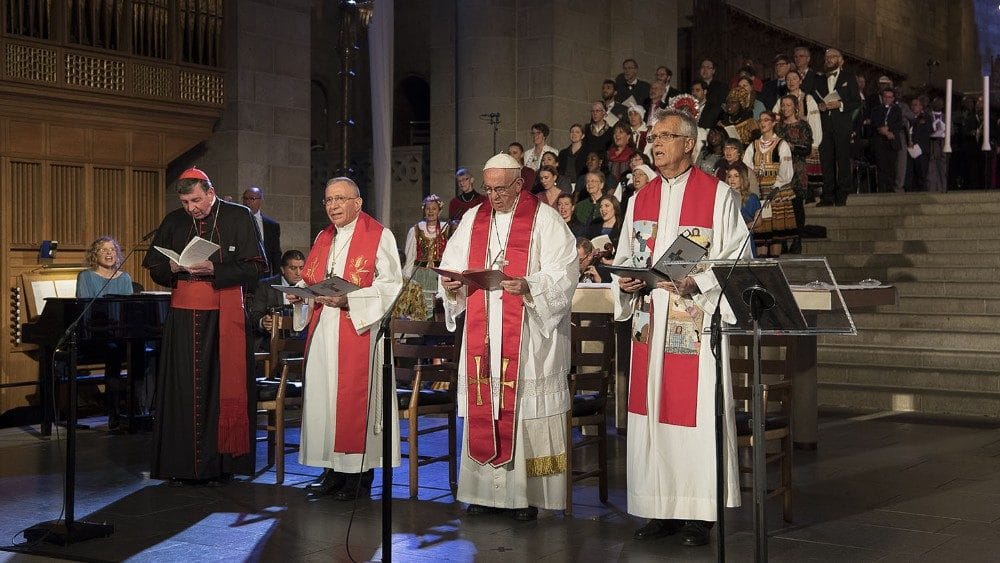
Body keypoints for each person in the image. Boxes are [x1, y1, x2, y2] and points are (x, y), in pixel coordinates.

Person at [611, 108, 749, 546]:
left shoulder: (718, 195)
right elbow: (626, 255)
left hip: (693, 322)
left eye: (665, 136)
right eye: (653, 137)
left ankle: (697, 515)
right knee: (651, 413)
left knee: (692, 417)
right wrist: (627, 280)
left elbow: (737, 259)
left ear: (689, 143)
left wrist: (699, 283)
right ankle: (659, 508)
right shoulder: (640, 198)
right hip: (650, 322)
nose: (656, 144)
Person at [437, 153, 577, 521]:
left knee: (527, 411)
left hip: (529, 333)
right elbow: (452, 265)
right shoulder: (473, 218)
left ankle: (529, 497)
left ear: (518, 184)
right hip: (484, 332)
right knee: (485, 405)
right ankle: (484, 494)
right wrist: (451, 284)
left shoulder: (545, 219)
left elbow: (565, 273)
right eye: (488, 189)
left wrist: (529, 285)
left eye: (500, 189)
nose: (493, 196)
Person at [142, 167, 267, 483]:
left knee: (218, 386)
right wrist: (170, 268)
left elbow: (256, 268)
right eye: (185, 202)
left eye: (196, 200)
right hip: (182, 319)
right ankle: (181, 464)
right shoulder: (174, 220)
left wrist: (215, 268)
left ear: (210, 193)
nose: (191, 208)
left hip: (222, 316)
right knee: (182, 390)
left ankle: (222, 465)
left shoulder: (238, 216)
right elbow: (154, 267)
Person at [299, 177, 403, 500]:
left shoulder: (379, 235)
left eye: (340, 199)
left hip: (359, 329)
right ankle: (332, 471)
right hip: (323, 329)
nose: (333, 206)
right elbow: (311, 278)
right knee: (326, 400)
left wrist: (350, 300)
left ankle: (358, 477)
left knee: (352, 402)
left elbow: (391, 285)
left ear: (357, 203)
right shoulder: (324, 236)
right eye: (329, 200)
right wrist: (299, 294)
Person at [77, 236, 134, 431]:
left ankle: (137, 409)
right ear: (95, 254)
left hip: (119, 333)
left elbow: (128, 311)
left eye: (112, 250)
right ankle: (114, 413)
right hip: (94, 335)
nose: (109, 253)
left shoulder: (125, 278)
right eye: (104, 250)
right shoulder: (86, 276)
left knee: (141, 350)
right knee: (114, 351)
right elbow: (86, 310)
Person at [743, 111, 795, 257]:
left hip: (776, 193)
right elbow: (746, 168)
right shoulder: (753, 145)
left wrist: (775, 186)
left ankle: (774, 263)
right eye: (760, 120)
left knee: (775, 236)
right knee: (761, 234)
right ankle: (761, 266)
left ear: (773, 123)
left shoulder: (781, 144)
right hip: (759, 191)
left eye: (766, 120)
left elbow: (786, 170)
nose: (762, 123)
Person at [815, 48, 861, 206]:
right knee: (826, 161)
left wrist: (840, 104)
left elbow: (857, 102)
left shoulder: (849, 77)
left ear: (840, 60)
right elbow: (813, 99)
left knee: (842, 160)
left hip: (842, 125)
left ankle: (843, 194)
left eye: (832, 56)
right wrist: (820, 106)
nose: (829, 59)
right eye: (826, 57)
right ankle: (828, 195)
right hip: (824, 126)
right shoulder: (819, 79)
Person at [775, 95, 814, 253]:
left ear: (795, 107)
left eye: (788, 105)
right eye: (783, 105)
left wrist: (792, 147)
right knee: (782, 206)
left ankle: (797, 240)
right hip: (782, 170)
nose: (785, 108)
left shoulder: (803, 125)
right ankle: (782, 241)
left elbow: (807, 149)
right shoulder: (778, 127)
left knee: (797, 206)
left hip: (797, 170)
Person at [249, 249, 308, 353]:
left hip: (304, 343)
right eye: (293, 268)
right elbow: (254, 316)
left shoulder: (310, 287)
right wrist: (263, 322)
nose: (298, 273)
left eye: (301, 268)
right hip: (271, 343)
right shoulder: (265, 286)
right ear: (282, 269)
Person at [402, 194, 451, 317]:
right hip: (420, 275)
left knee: (437, 307)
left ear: (439, 210)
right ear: (424, 210)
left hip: (439, 275)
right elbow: (410, 256)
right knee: (420, 305)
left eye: (434, 208)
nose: (430, 211)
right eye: (428, 208)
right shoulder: (416, 229)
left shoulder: (446, 229)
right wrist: (406, 277)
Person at [242, 186, 282, 276]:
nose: (247, 202)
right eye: (245, 198)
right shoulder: (237, 222)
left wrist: (277, 277)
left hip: (263, 273)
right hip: (242, 273)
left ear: (260, 200)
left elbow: (275, 253)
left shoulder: (272, 225)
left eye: (252, 199)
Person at [717, 161, 762, 226]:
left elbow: (758, 222)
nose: (732, 179)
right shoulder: (724, 197)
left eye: (736, 176)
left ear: (742, 178)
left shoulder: (752, 198)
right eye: (729, 176)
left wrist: (743, 228)